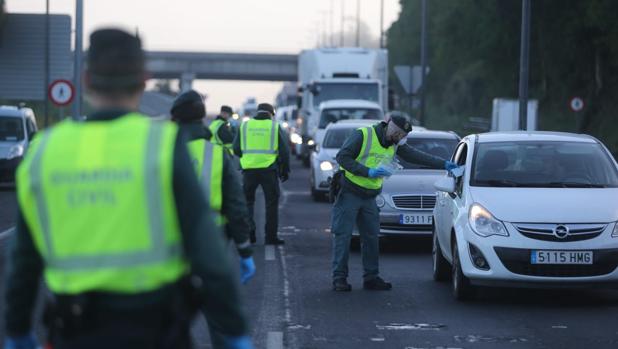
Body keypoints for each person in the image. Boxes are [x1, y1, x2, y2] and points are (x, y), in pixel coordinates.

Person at [3, 28, 252, 349]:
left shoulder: (44, 151)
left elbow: (23, 259)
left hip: (73, 332)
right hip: (155, 331)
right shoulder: (161, 145)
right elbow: (207, 251)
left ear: (86, 80)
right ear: (143, 80)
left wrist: (18, 330)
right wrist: (234, 330)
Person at [331, 114, 457, 292]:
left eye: (402, 136)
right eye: (397, 133)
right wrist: (368, 171)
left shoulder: (395, 142)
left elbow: (415, 155)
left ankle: (371, 278)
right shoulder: (363, 135)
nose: (398, 138)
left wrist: (443, 163)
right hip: (349, 192)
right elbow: (342, 157)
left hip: (369, 196)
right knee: (343, 236)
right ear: (388, 125)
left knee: (371, 238)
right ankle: (339, 279)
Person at [170, 90, 255, 349]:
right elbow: (236, 206)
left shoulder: (159, 152)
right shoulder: (217, 154)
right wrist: (244, 249)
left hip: (167, 242)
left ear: (175, 119)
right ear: (201, 119)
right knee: (218, 315)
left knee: (168, 318)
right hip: (212, 242)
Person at [233, 103, 290, 245]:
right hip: (269, 170)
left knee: (247, 202)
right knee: (271, 204)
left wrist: (247, 157)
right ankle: (270, 237)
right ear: (271, 113)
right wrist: (285, 169)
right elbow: (284, 151)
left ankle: (249, 232)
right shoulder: (274, 126)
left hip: (248, 170)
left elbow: (236, 148)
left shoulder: (244, 126)